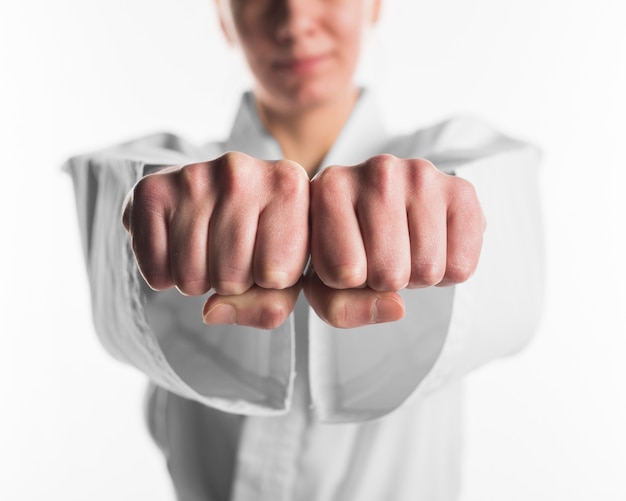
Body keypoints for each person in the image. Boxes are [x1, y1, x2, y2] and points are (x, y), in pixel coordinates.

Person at [65, 0, 544, 499]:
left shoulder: (456, 157)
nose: (294, 20)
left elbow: (509, 279)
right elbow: (117, 219)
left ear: (375, 5)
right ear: (223, 17)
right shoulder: (170, 174)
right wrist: (152, 204)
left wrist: (443, 213)